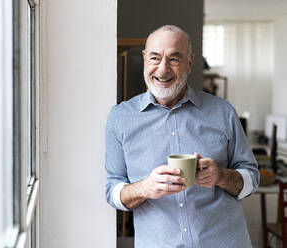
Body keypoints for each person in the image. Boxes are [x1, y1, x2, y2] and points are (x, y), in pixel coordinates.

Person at [105, 25, 259, 248]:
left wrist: (221, 176)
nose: (163, 69)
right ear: (145, 58)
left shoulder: (222, 111)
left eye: (174, 59)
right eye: (155, 58)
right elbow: (113, 191)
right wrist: (145, 187)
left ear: (189, 61)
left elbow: (252, 178)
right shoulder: (120, 117)